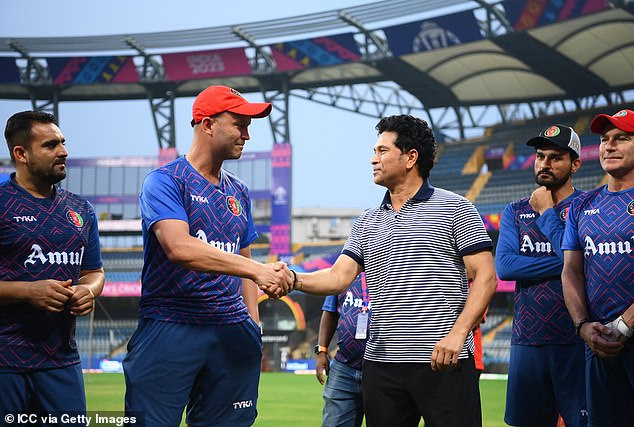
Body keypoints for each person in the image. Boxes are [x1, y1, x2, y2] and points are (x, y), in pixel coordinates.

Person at [293, 114, 497, 427]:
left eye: (382, 151)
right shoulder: (366, 220)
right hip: (381, 365)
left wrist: (458, 334)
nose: (373, 159)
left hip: (443, 361)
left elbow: (486, 277)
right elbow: (338, 278)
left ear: (410, 157)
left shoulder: (456, 208)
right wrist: (292, 278)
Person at [123, 86, 293, 426]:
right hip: (171, 325)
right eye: (239, 123)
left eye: (249, 125)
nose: (247, 134)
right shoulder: (165, 181)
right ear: (207, 124)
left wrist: (253, 327)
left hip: (233, 330)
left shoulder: (239, 192)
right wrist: (257, 270)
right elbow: (180, 248)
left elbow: (244, 263)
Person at [0, 111, 105, 421]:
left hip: (62, 361)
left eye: (63, 142)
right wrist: (27, 292)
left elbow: (94, 271)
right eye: (50, 145)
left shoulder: (80, 209)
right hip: (5, 362)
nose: (63, 151)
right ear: (21, 154)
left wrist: (89, 290)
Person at [495, 124, 587, 426]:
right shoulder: (515, 209)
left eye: (555, 157)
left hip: (577, 339)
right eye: (539, 156)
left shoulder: (588, 206)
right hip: (527, 340)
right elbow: (506, 266)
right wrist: (569, 262)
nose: (545, 164)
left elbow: (585, 263)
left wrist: (547, 214)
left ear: (575, 164)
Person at [562, 109, 634, 427]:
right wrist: (583, 326)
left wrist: (624, 326)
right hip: (599, 344)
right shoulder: (582, 205)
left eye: (623, 138)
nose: (609, 145)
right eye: (605, 139)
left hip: (619, 336)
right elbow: (571, 272)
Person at [315, 273, 370, 427]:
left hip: (381, 367)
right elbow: (330, 311)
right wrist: (322, 350)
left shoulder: (394, 271)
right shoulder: (345, 273)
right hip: (344, 366)